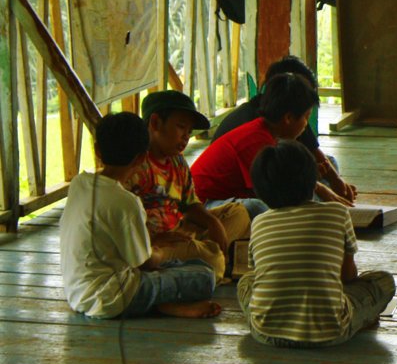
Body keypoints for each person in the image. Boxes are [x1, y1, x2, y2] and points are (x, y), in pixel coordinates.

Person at [60, 112, 220, 319]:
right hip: (112, 297)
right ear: (143, 157)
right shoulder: (126, 201)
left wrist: (155, 244)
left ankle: (162, 304)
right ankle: (163, 306)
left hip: (77, 292)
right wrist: (161, 251)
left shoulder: (79, 184)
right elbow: (147, 263)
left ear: (98, 150)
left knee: (192, 267)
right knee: (204, 275)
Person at [237, 140, 395, 348]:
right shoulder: (337, 212)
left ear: (261, 191)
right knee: (383, 281)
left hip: (266, 332)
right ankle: (359, 319)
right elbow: (348, 277)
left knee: (245, 282)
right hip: (332, 331)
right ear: (314, 182)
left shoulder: (259, 222)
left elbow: (258, 274)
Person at [126, 90, 250, 283]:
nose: (186, 137)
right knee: (213, 259)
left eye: (189, 131)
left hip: (181, 230)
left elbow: (190, 204)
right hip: (155, 245)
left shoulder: (177, 161)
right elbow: (123, 222)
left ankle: (203, 255)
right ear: (155, 123)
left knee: (239, 213)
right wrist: (151, 240)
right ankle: (212, 260)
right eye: (181, 127)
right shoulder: (135, 166)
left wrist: (212, 222)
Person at [213, 55, 357, 203]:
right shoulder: (254, 132)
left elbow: (312, 153)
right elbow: (269, 187)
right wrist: (317, 186)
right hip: (219, 202)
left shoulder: (278, 120)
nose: (306, 123)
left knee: (326, 162)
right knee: (257, 206)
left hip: (261, 184)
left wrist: (334, 180)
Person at [191, 72, 325, 219]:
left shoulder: (268, 134)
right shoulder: (256, 141)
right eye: (306, 117)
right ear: (288, 118)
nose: (306, 125)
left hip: (231, 198)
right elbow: (272, 193)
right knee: (258, 207)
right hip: (203, 207)